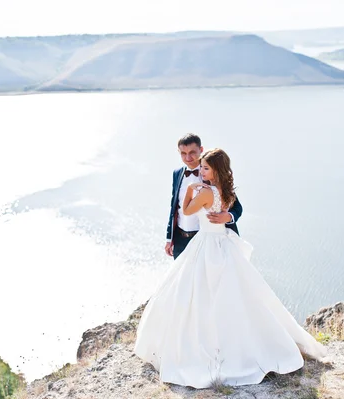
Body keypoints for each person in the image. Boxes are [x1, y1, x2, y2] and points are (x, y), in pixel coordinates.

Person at [135, 148, 327, 388]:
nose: (200, 171)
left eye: (205, 168)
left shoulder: (205, 191)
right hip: (223, 244)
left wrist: (194, 191)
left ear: (214, 169)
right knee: (238, 294)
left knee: (201, 294)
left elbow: (187, 210)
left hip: (207, 244)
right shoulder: (226, 189)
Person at [165, 134, 242, 259]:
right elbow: (174, 206)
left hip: (205, 240)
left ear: (201, 150)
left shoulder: (212, 174)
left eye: (192, 152)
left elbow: (237, 207)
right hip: (180, 239)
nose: (188, 157)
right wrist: (169, 238)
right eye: (183, 153)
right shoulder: (177, 173)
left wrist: (228, 217)